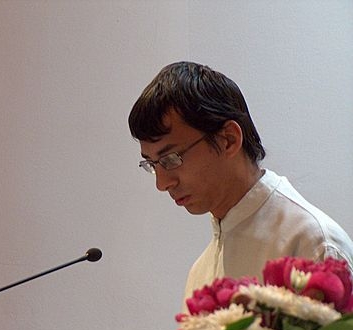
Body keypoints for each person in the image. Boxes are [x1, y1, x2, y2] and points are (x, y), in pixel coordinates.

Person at [128, 61, 353, 301]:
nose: (162, 184)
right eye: (152, 164)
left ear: (228, 140)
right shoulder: (200, 273)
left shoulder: (313, 245)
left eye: (171, 159)